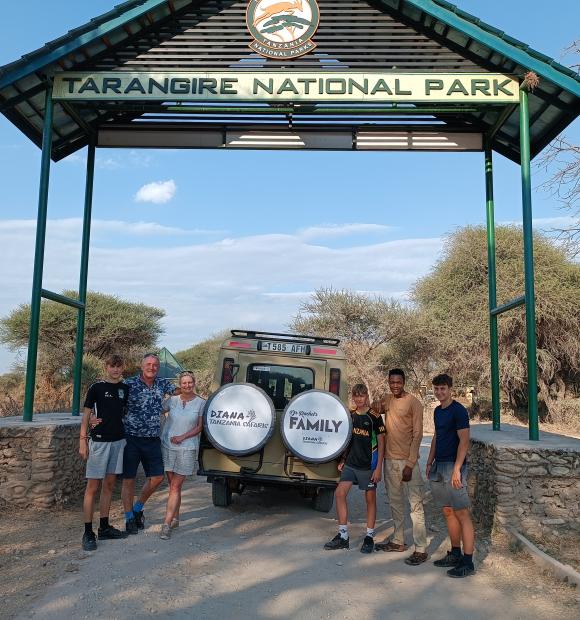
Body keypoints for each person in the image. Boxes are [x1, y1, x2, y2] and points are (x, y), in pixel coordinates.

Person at [373, 368, 428, 565]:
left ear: (404, 382)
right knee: (395, 503)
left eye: (398, 382)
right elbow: (373, 410)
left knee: (415, 506)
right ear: (388, 382)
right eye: (392, 382)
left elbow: (418, 434)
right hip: (389, 461)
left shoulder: (414, 403)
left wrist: (411, 464)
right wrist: (375, 404)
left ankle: (421, 549)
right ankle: (398, 541)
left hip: (407, 462)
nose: (395, 385)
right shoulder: (387, 400)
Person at [324, 383, 385, 553]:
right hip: (351, 464)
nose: (359, 398)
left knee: (370, 500)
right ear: (353, 397)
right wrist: (343, 459)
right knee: (339, 494)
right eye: (356, 396)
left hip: (369, 466)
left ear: (367, 396)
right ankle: (343, 536)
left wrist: (379, 467)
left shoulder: (374, 416)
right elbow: (348, 440)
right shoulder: (350, 415)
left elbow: (381, 443)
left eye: (362, 395)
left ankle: (369, 537)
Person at [121, 353, 177, 534]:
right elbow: (114, 404)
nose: (151, 367)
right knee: (128, 480)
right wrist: (94, 418)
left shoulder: (163, 383)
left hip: (153, 439)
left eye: (155, 365)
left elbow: (179, 392)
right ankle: (129, 518)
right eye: (148, 364)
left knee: (157, 477)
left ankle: (137, 509)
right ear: (141, 365)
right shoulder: (129, 384)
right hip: (131, 438)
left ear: (158, 368)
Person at [426, 373, 475, 578]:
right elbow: (437, 436)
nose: (439, 392)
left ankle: (468, 561)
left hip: (454, 468)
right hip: (439, 465)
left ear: (450, 389)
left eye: (443, 389)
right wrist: (429, 461)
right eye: (437, 389)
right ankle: (454, 553)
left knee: (462, 513)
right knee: (447, 511)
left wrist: (457, 468)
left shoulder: (459, 411)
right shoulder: (437, 411)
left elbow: (464, 441)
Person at [79, 354, 129, 551]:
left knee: (109, 485)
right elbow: (86, 416)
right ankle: (88, 532)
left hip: (118, 442)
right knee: (93, 487)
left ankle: (105, 527)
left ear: (123, 368)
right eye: (112, 366)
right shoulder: (96, 388)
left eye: (119, 366)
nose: (115, 370)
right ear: (106, 367)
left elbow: (123, 412)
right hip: (99, 443)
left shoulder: (125, 389)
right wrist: (83, 441)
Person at [159, 371, 205, 540]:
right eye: (184, 383)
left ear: (194, 383)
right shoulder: (171, 400)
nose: (187, 386)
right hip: (168, 447)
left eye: (189, 383)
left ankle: (166, 524)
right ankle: (175, 517)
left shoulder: (201, 403)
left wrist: (183, 437)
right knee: (172, 484)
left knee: (175, 487)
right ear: (180, 384)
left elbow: (199, 427)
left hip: (187, 448)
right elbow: (155, 409)